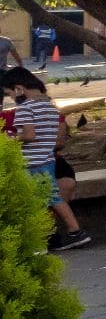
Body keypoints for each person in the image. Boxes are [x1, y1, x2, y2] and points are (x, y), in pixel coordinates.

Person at [6, 67, 89, 248]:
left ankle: (73, 232)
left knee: (48, 199)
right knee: (50, 197)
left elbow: (29, 135)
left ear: (19, 88)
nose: (11, 97)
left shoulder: (25, 108)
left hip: (32, 162)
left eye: (10, 93)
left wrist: (11, 139)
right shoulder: (50, 108)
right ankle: (70, 232)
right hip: (48, 159)